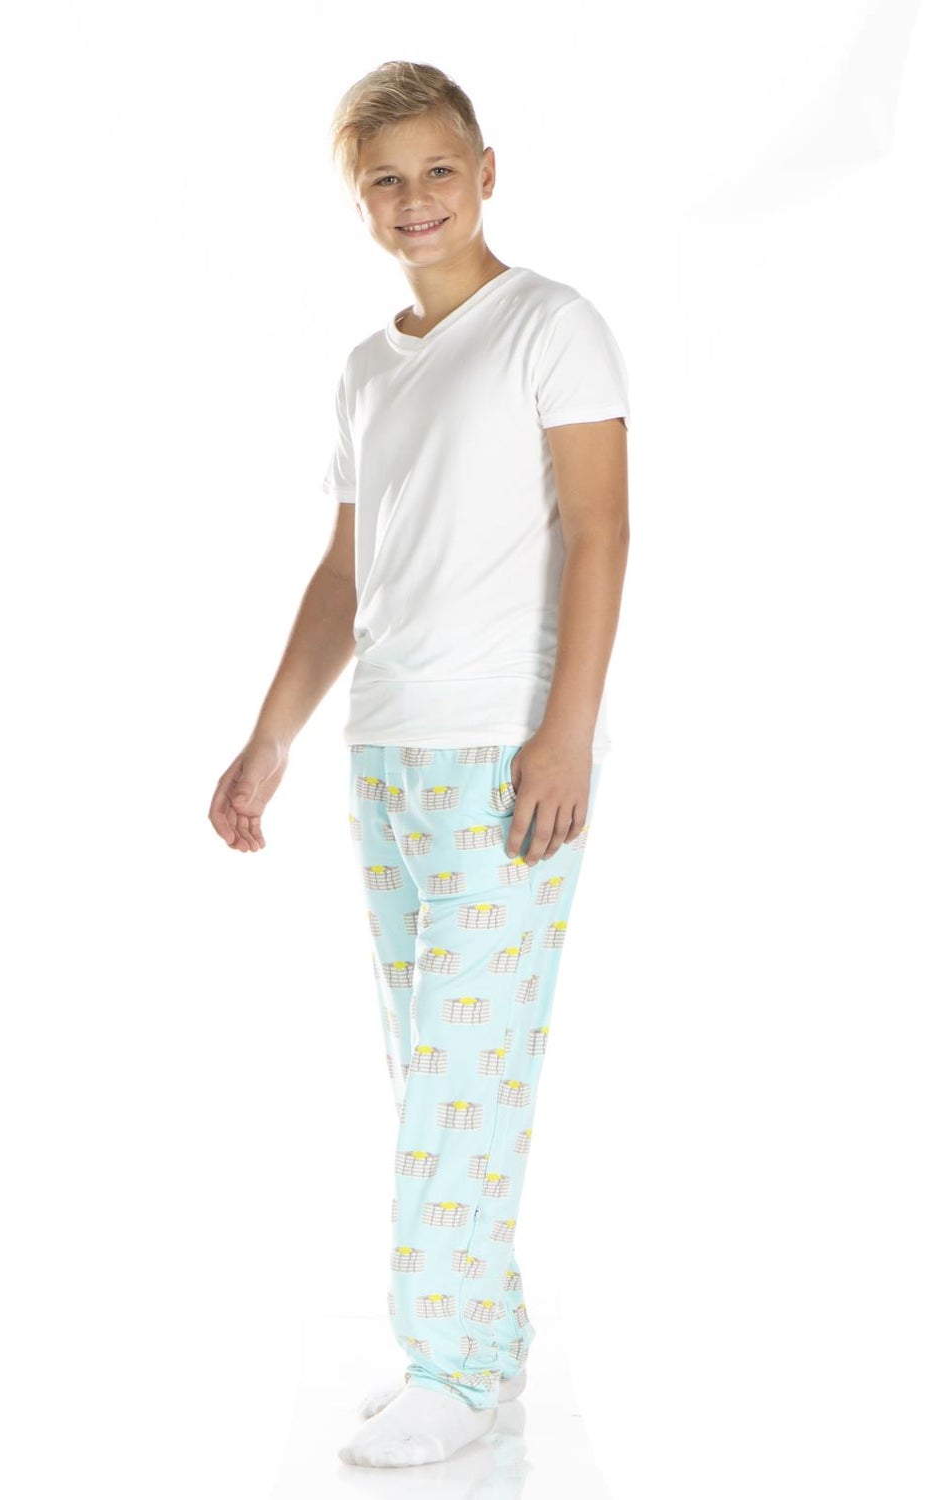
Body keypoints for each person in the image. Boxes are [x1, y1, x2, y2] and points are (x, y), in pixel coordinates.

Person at [207, 60, 631, 1469]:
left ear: (486, 172)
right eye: (384, 181)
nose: (416, 200)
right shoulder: (367, 370)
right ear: (358, 203)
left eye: (438, 170)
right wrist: (271, 737)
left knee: (464, 1063)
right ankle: (483, 1352)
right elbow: (347, 573)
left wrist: (565, 731)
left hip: (506, 749)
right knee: (431, 1061)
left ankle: (447, 1360)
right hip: (386, 750)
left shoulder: (551, 328)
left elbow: (602, 531)